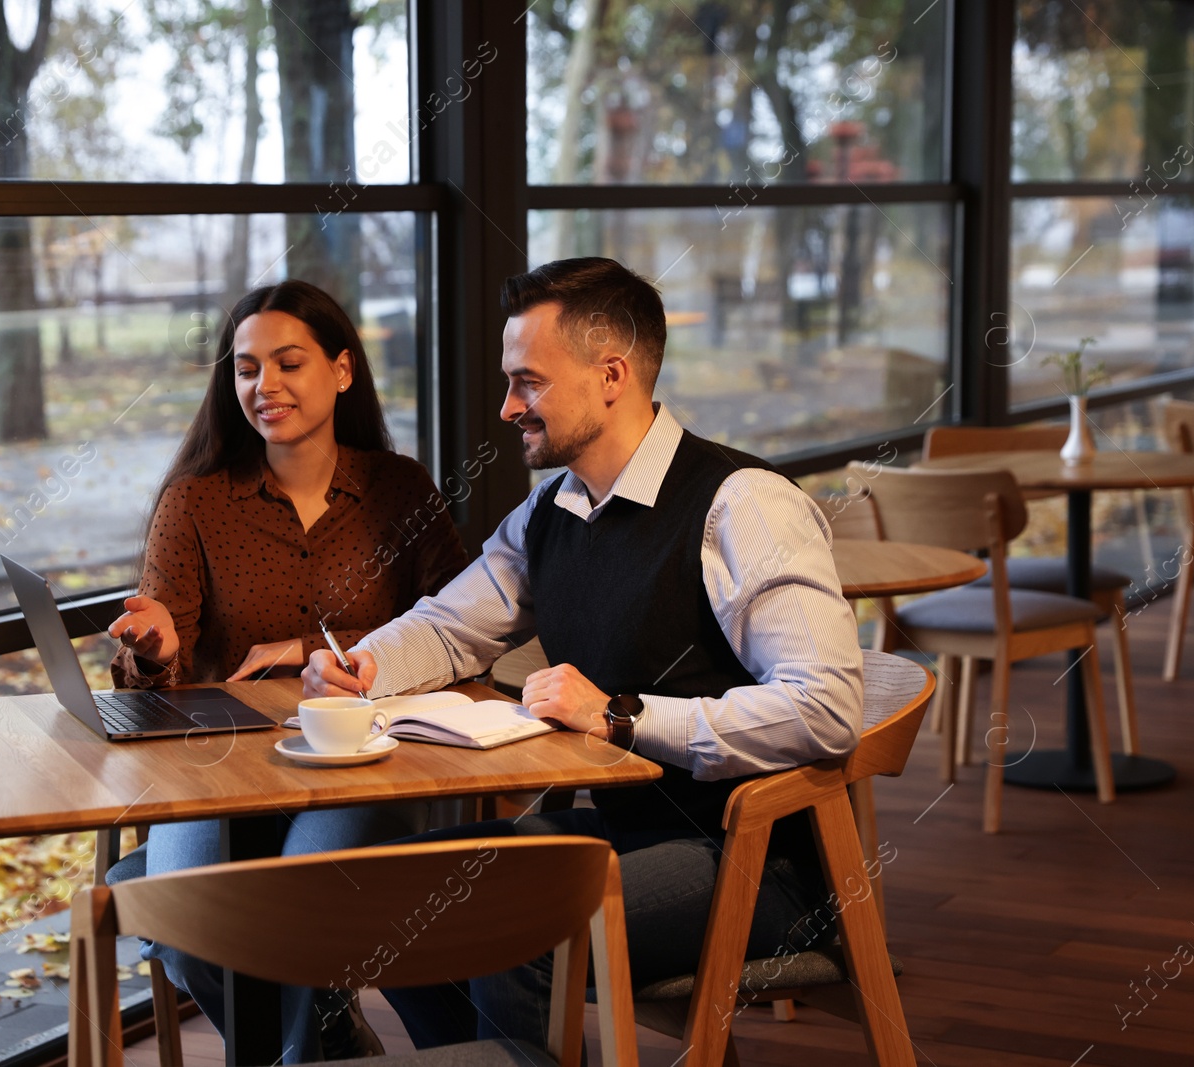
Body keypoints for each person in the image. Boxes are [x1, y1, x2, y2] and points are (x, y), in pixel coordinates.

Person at [302, 257, 864, 1047]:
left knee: (514, 921)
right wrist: (366, 665)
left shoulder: (743, 505)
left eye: (527, 381)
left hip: (757, 857)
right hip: (629, 830)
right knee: (397, 895)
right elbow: (452, 623)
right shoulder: (553, 508)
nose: (506, 407)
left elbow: (827, 706)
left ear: (611, 374)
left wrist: (622, 716)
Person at [104, 279, 469, 1061]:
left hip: (362, 763)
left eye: (288, 363)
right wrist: (156, 650)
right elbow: (153, 678)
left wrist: (312, 647)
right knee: (187, 916)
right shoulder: (195, 502)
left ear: (341, 370)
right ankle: (331, 1042)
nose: (263, 386)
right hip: (221, 772)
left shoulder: (399, 488)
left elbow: (463, 629)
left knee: (304, 896)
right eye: (245, 368)